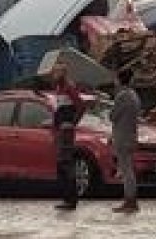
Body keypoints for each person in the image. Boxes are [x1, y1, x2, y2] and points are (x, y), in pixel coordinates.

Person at [49, 60, 90, 210]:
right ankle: (66, 198)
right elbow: (59, 111)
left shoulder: (69, 88)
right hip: (60, 130)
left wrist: (72, 122)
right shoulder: (59, 89)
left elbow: (81, 106)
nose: (54, 74)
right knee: (61, 164)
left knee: (65, 164)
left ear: (64, 73)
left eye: (58, 72)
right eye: (54, 72)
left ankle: (70, 199)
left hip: (66, 131)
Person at [110, 69, 142, 214]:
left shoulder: (122, 96)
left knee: (126, 170)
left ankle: (130, 200)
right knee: (128, 169)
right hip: (131, 135)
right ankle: (130, 199)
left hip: (123, 136)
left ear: (119, 79)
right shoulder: (134, 95)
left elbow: (113, 115)